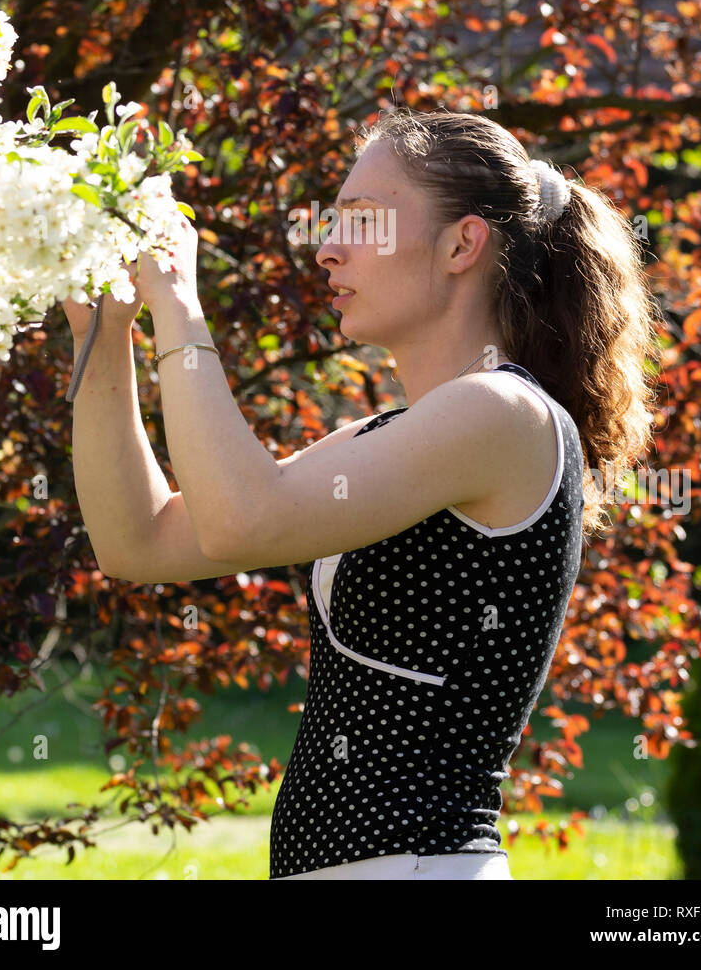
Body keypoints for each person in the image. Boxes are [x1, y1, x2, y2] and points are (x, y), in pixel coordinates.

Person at [62, 107, 660, 881]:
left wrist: (180, 302)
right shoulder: (402, 434)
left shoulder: (504, 414)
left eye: (363, 221)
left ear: (461, 244)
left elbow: (244, 515)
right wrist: (100, 336)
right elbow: (137, 542)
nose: (328, 249)